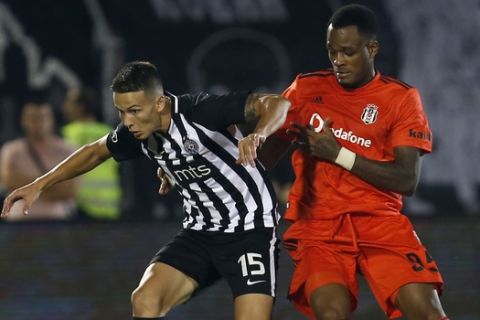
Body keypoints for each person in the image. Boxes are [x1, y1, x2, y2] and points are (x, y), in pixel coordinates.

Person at [1, 61, 291, 320]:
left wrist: (258, 135)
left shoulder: (201, 111)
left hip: (250, 231)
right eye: (121, 111)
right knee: (145, 299)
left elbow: (277, 104)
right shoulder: (138, 133)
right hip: (200, 233)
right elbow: (94, 152)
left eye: (135, 110)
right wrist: (39, 185)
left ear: (160, 103)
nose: (128, 121)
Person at [258, 4, 449, 320]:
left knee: (429, 315)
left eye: (347, 52)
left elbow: (406, 180)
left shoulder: (400, 99)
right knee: (331, 315)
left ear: (371, 48)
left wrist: (338, 155)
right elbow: (264, 155)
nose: (338, 62)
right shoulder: (306, 89)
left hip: (380, 223)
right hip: (319, 228)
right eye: (332, 52)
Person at [0, 95, 77, 221]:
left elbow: (69, 190)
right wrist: (53, 182)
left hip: (57, 221)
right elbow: (9, 182)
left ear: (52, 119)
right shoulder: (11, 151)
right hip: (19, 223)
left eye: (42, 117)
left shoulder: (67, 150)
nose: (38, 123)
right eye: (33, 118)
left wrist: (27, 186)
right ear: (23, 120)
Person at [62, 87, 122, 220]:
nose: (65, 106)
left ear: (80, 107)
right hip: (110, 205)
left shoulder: (67, 133)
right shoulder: (110, 132)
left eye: (69, 102)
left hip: (81, 208)